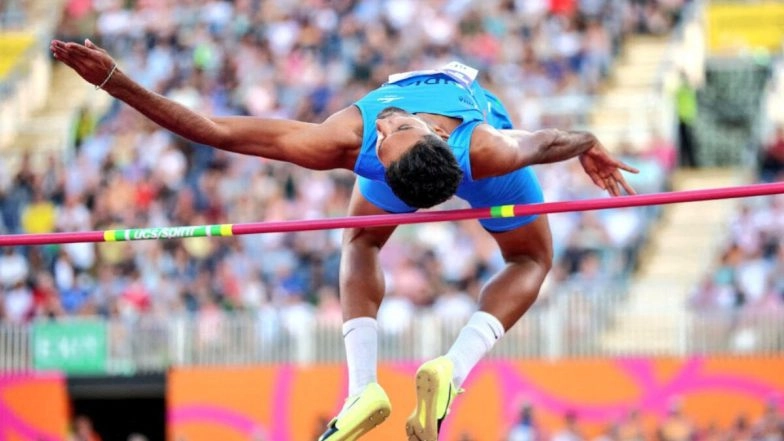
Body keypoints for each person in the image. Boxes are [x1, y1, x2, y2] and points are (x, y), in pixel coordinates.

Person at [51, 39, 638, 441]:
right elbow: (557, 139)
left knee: (363, 243)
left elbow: (215, 130)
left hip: (474, 170)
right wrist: (589, 144)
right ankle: (448, 373)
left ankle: (366, 389)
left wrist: (114, 81)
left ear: (435, 136)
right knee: (530, 258)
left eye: (392, 128)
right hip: (486, 173)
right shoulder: (476, 148)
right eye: (384, 136)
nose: (383, 125)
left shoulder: (368, 141)